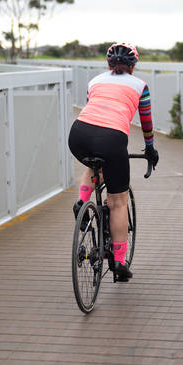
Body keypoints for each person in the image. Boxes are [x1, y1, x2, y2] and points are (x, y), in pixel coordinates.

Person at [68, 43, 159, 282]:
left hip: (78, 135)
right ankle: (119, 262)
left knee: (94, 163)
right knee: (118, 202)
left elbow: (93, 109)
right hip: (111, 139)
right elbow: (146, 123)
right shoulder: (140, 86)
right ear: (133, 66)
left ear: (108, 64)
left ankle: (81, 202)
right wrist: (150, 148)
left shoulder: (95, 81)